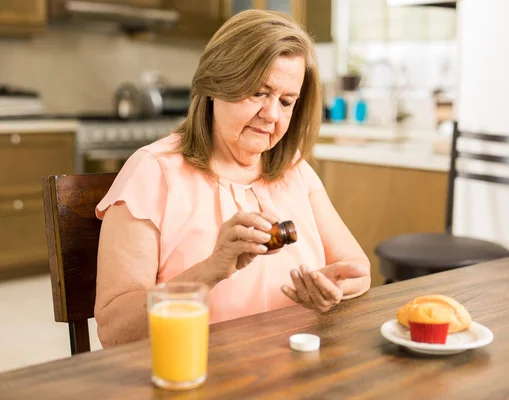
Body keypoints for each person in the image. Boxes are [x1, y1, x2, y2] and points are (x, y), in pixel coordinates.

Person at [94, 9, 370, 347]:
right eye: (258, 93)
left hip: (295, 375)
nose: (271, 115)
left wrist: (333, 287)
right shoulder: (153, 172)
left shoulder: (294, 169)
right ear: (216, 84)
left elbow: (358, 269)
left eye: (286, 101)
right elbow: (113, 330)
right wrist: (211, 269)